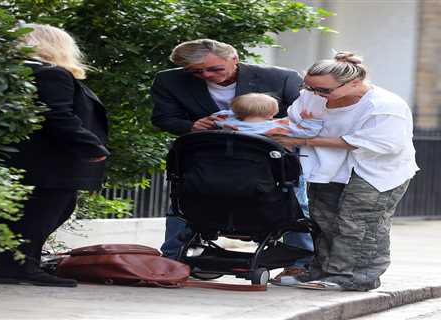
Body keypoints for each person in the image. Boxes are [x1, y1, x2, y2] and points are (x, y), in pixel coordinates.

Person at [151, 38, 313, 275]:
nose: (207, 75)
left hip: (269, 159)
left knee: (295, 203)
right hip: (208, 158)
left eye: (215, 68)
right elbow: (163, 118)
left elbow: (304, 115)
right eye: (196, 72)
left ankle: (300, 263)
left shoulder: (280, 78)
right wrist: (192, 125)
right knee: (185, 199)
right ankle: (172, 257)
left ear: (234, 59)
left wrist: (287, 129)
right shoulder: (170, 80)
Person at [0, 24, 110, 287]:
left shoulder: (17, 73)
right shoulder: (52, 74)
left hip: (23, 159)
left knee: (16, 214)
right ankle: (22, 268)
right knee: (42, 213)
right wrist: (91, 145)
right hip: (49, 162)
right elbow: (56, 114)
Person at [266, 51, 419, 291]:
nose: (316, 94)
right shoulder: (311, 96)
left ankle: (354, 277)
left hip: (377, 169)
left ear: (355, 83)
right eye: (310, 87)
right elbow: (294, 122)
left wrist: (307, 141)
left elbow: (380, 144)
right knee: (322, 217)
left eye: (325, 90)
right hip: (328, 166)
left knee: (358, 222)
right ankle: (322, 270)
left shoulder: (385, 106)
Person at [213, 93, 323, 137]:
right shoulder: (277, 127)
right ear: (271, 115)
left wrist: (239, 111)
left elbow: (221, 114)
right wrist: (310, 120)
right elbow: (308, 132)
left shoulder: (226, 122)